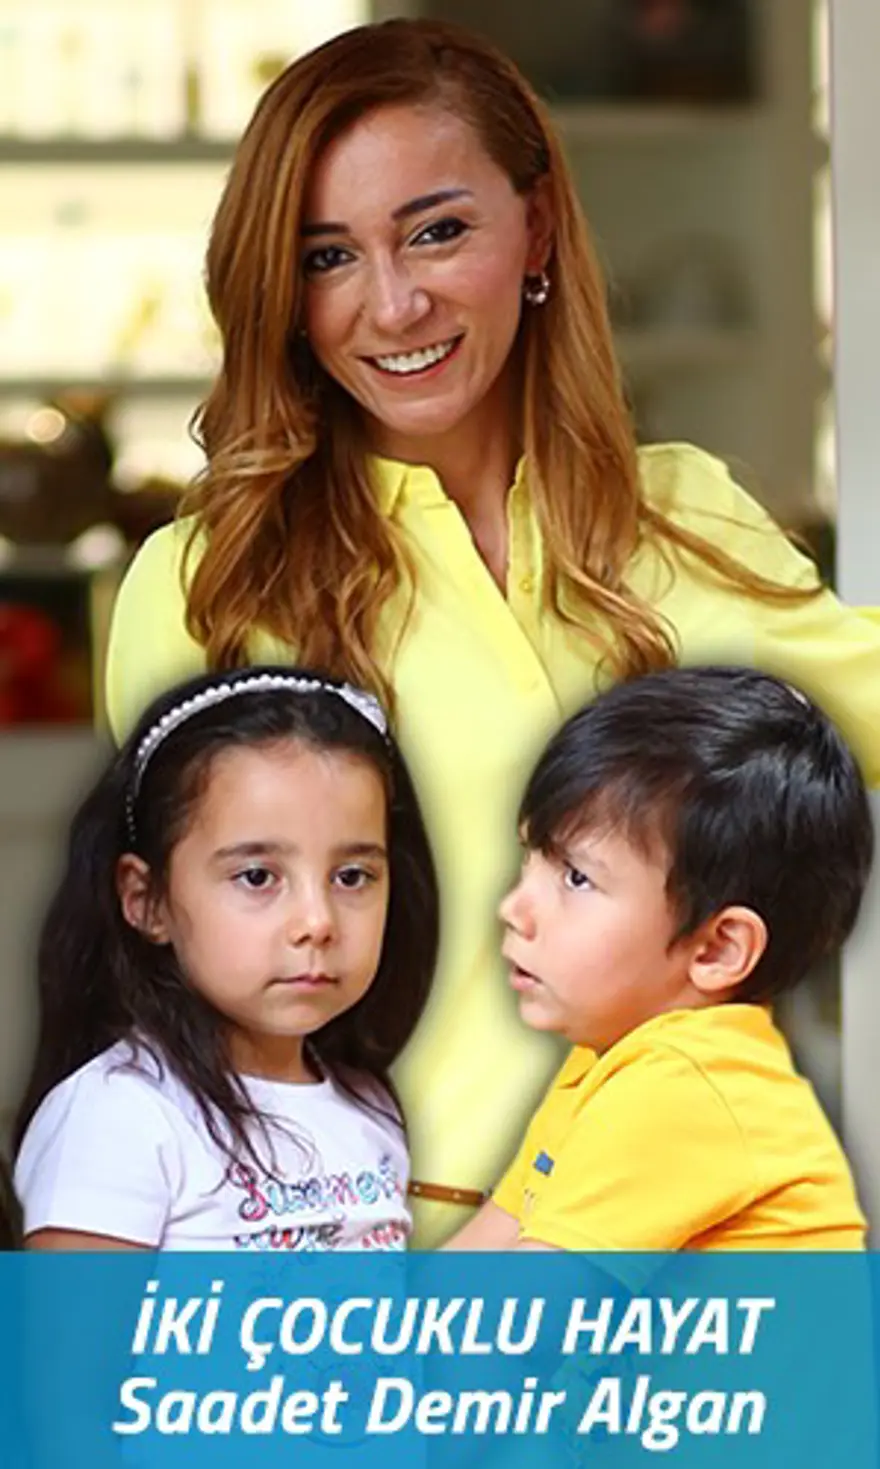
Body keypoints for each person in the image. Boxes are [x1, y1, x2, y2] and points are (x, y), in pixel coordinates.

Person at [102, 17, 880, 1243]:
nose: (392, 302)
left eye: (437, 230)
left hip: (680, 1259)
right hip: (349, 1263)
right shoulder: (208, 584)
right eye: (327, 256)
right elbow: (183, 992)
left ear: (537, 228)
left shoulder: (684, 517)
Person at [13, 667, 438, 1251]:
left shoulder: (369, 1106)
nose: (317, 922)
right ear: (146, 899)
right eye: (258, 877)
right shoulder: (117, 1116)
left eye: (352, 876)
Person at [447, 666, 871, 1251]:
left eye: (576, 878)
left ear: (718, 949)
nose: (515, 908)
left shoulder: (687, 1082)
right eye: (531, 859)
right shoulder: (609, 1060)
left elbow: (518, 1307)